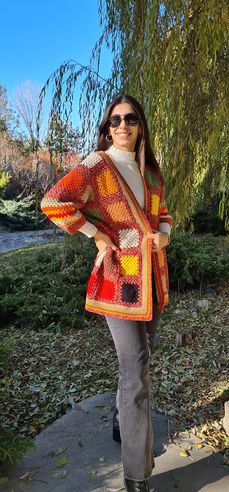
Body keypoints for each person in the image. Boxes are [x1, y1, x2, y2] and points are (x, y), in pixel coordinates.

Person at [41, 94, 172, 492]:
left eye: (130, 119)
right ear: (106, 127)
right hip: (119, 282)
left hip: (152, 279)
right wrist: (94, 233)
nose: (122, 126)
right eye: (115, 120)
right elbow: (53, 200)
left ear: (140, 125)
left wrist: (164, 237)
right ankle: (137, 475)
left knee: (140, 361)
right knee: (135, 371)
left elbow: (163, 215)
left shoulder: (150, 171)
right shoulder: (98, 165)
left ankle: (121, 419)